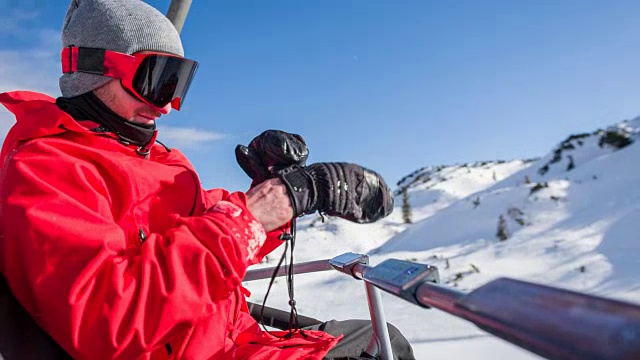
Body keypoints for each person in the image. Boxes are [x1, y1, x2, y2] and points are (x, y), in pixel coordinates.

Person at [0, 1, 414, 359]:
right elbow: (112, 318)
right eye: (156, 79)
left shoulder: (161, 161)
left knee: (383, 340)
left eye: (176, 83)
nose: (166, 106)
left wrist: (273, 193)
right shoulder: (48, 169)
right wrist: (255, 215)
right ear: (95, 69)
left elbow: (212, 226)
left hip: (233, 341)